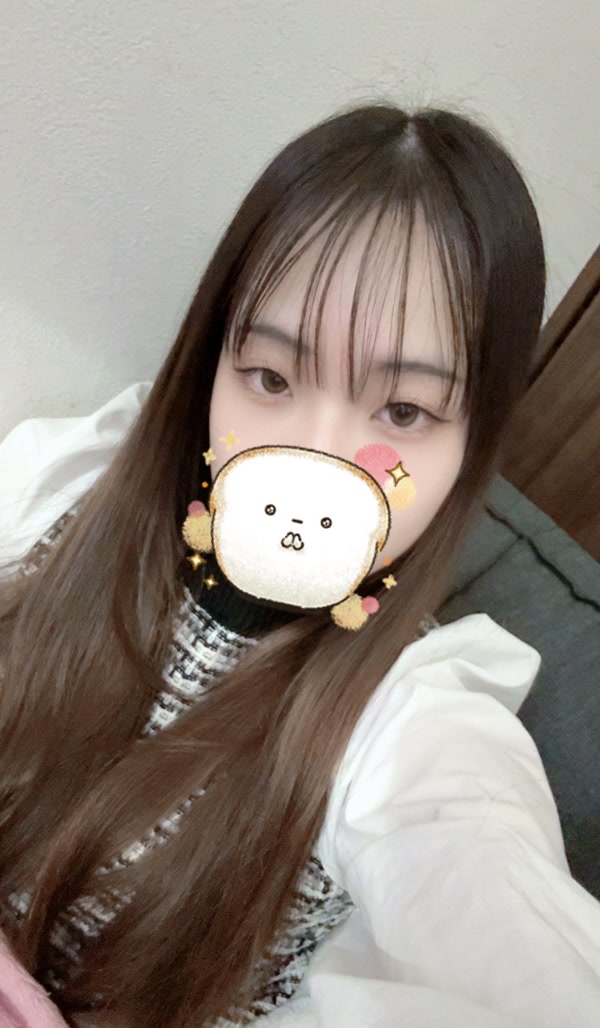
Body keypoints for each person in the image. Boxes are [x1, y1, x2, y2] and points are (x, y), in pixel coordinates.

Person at [0, 104, 599, 1028]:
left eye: (403, 412)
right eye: (272, 379)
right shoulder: (65, 488)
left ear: (471, 447)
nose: (314, 458)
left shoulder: (415, 727)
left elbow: (506, 932)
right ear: (212, 364)